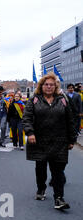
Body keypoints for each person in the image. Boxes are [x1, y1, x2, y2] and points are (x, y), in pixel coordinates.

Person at [22, 73, 76, 210]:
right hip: (39, 140)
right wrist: (30, 132)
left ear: (55, 86)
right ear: (41, 86)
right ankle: (41, 189)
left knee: (57, 171)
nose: (49, 86)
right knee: (41, 169)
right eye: (46, 84)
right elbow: (27, 118)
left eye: (52, 84)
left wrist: (72, 139)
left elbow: (70, 120)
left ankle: (59, 198)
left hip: (59, 141)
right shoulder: (34, 99)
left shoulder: (62, 100)